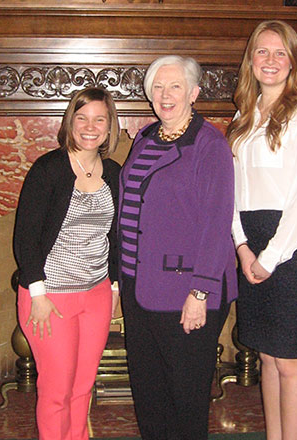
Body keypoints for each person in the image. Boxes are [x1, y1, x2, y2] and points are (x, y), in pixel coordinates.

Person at [118, 55, 237, 440]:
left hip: (188, 290)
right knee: (149, 396)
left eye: (175, 87)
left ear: (194, 93)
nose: (165, 95)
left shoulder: (210, 145)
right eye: (157, 87)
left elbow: (217, 226)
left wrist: (200, 292)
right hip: (138, 285)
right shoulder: (145, 137)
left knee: (185, 400)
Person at [228, 21, 297, 440]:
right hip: (251, 241)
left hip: (296, 246)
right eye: (262, 52)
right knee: (268, 359)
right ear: (250, 60)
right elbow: (232, 194)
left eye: (279, 53)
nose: (270, 61)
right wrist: (241, 247)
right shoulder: (242, 117)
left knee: (291, 362)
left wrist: (270, 257)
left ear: (294, 62)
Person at [14, 87, 121, 440]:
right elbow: (25, 239)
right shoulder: (49, 169)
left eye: (99, 119)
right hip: (49, 297)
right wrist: (38, 294)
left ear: (109, 127)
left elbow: (117, 234)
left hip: (96, 295)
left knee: (82, 388)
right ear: (70, 123)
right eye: (82, 118)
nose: (90, 127)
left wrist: (115, 285)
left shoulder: (114, 172)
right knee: (57, 392)